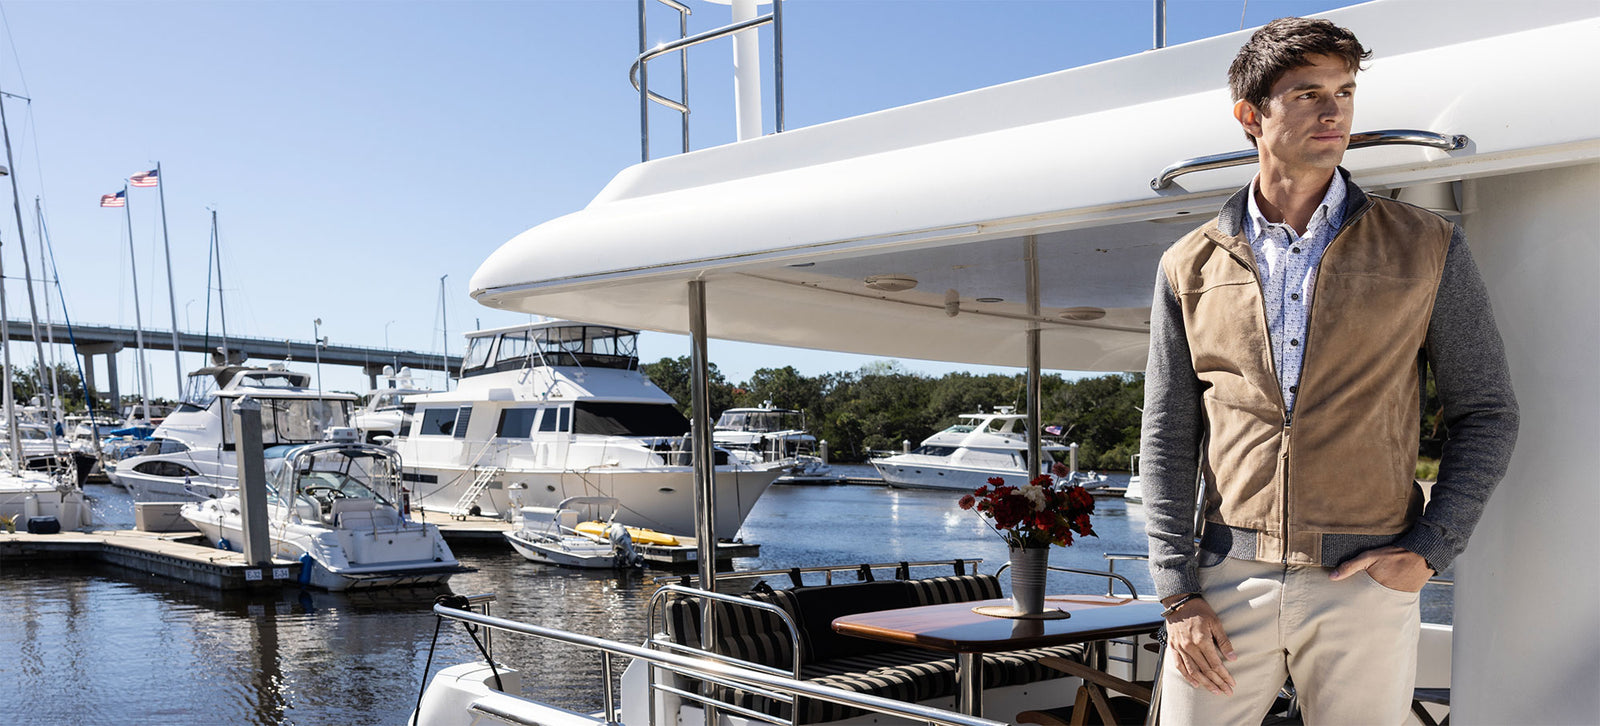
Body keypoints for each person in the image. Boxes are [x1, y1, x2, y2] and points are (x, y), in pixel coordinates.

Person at [1140, 16, 1519, 724]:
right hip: (1225, 581)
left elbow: (1487, 411)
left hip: (1367, 580)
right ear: (1251, 116)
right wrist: (1177, 593)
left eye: (1343, 92)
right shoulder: (1188, 263)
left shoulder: (1427, 247)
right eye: (1307, 93)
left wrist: (1429, 551)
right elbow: (1166, 436)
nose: (1334, 110)